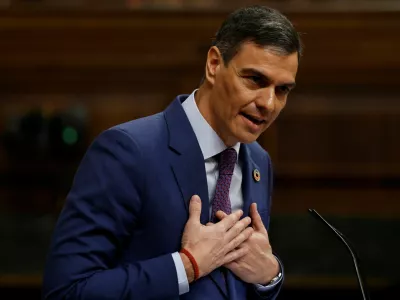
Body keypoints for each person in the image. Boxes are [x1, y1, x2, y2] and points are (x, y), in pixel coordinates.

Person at [42, 5, 301, 300]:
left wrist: (270, 275)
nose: (268, 103)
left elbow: (239, 281)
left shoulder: (258, 161)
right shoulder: (128, 152)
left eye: (282, 90)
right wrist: (187, 266)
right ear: (214, 64)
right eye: (255, 80)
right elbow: (65, 292)